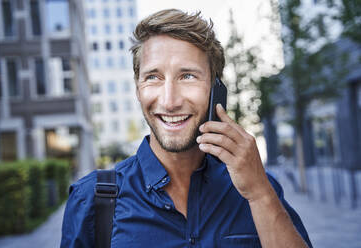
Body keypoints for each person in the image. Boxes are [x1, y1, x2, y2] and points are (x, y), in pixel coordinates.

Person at [61, 9, 312, 248]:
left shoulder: (257, 186)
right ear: (138, 89)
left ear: (216, 90)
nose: (170, 102)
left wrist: (260, 195)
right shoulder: (93, 200)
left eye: (187, 76)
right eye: (153, 77)